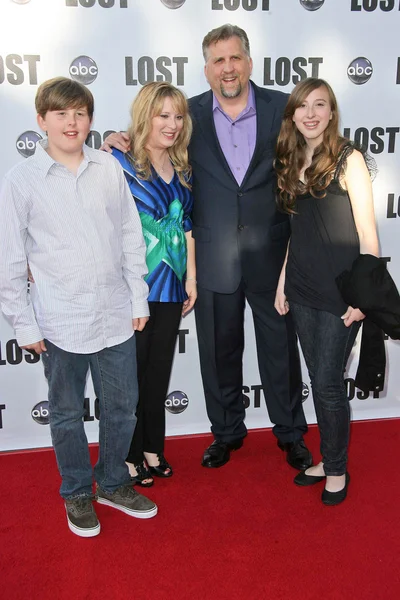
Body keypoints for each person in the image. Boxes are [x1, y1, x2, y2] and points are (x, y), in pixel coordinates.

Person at [103, 24, 312, 472]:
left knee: (280, 350)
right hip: (212, 255)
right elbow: (149, 140)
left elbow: (314, 144)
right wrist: (112, 139)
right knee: (218, 353)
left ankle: (291, 433)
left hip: (271, 254)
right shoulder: (188, 114)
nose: (228, 68)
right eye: (218, 61)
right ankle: (226, 433)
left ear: (249, 62)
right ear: (206, 69)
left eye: (235, 58)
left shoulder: (282, 107)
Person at [0, 77, 157, 537]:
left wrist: (137, 296)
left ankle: (111, 481)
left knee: (123, 408)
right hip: (57, 320)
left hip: (113, 313)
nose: (72, 122)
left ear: (90, 119)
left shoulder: (108, 168)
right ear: (41, 120)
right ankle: (76, 492)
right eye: (61, 114)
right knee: (66, 414)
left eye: (80, 114)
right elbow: (11, 257)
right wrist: (21, 321)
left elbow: (130, 235)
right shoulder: (22, 179)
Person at [274, 77, 379, 505]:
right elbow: (295, 232)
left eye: (320, 105)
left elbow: (369, 237)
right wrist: (282, 283)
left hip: (340, 292)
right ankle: (327, 456)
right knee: (318, 380)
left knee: (329, 383)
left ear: (332, 112)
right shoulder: (292, 159)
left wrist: (362, 298)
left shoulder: (349, 158)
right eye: (303, 106)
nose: (311, 113)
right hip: (300, 287)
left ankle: (336, 468)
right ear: (293, 115)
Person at [112, 82, 196, 487]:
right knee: (132, 375)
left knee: (158, 372)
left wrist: (191, 279)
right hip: (134, 288)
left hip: (172, 286)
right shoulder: (119, 161)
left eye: (178, 116)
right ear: (145, 115)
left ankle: (151, 447)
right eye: (163, 115)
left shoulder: (183, 169)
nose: (172, 124)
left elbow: (188, 228)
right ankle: (128, 455)